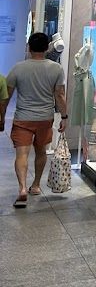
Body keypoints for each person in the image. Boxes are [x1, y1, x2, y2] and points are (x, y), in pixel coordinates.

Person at [0, 32, 67, 208]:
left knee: (21, 154)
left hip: (23, 118)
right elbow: (60, 95)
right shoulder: (56, 69)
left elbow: (5, 96)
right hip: (45, 118)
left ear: (29, 47)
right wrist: (64, 116)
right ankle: (36, 185)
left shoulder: (18, 68)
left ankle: (22, 188)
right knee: (41, 152)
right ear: (47, 48)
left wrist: (2, 116)